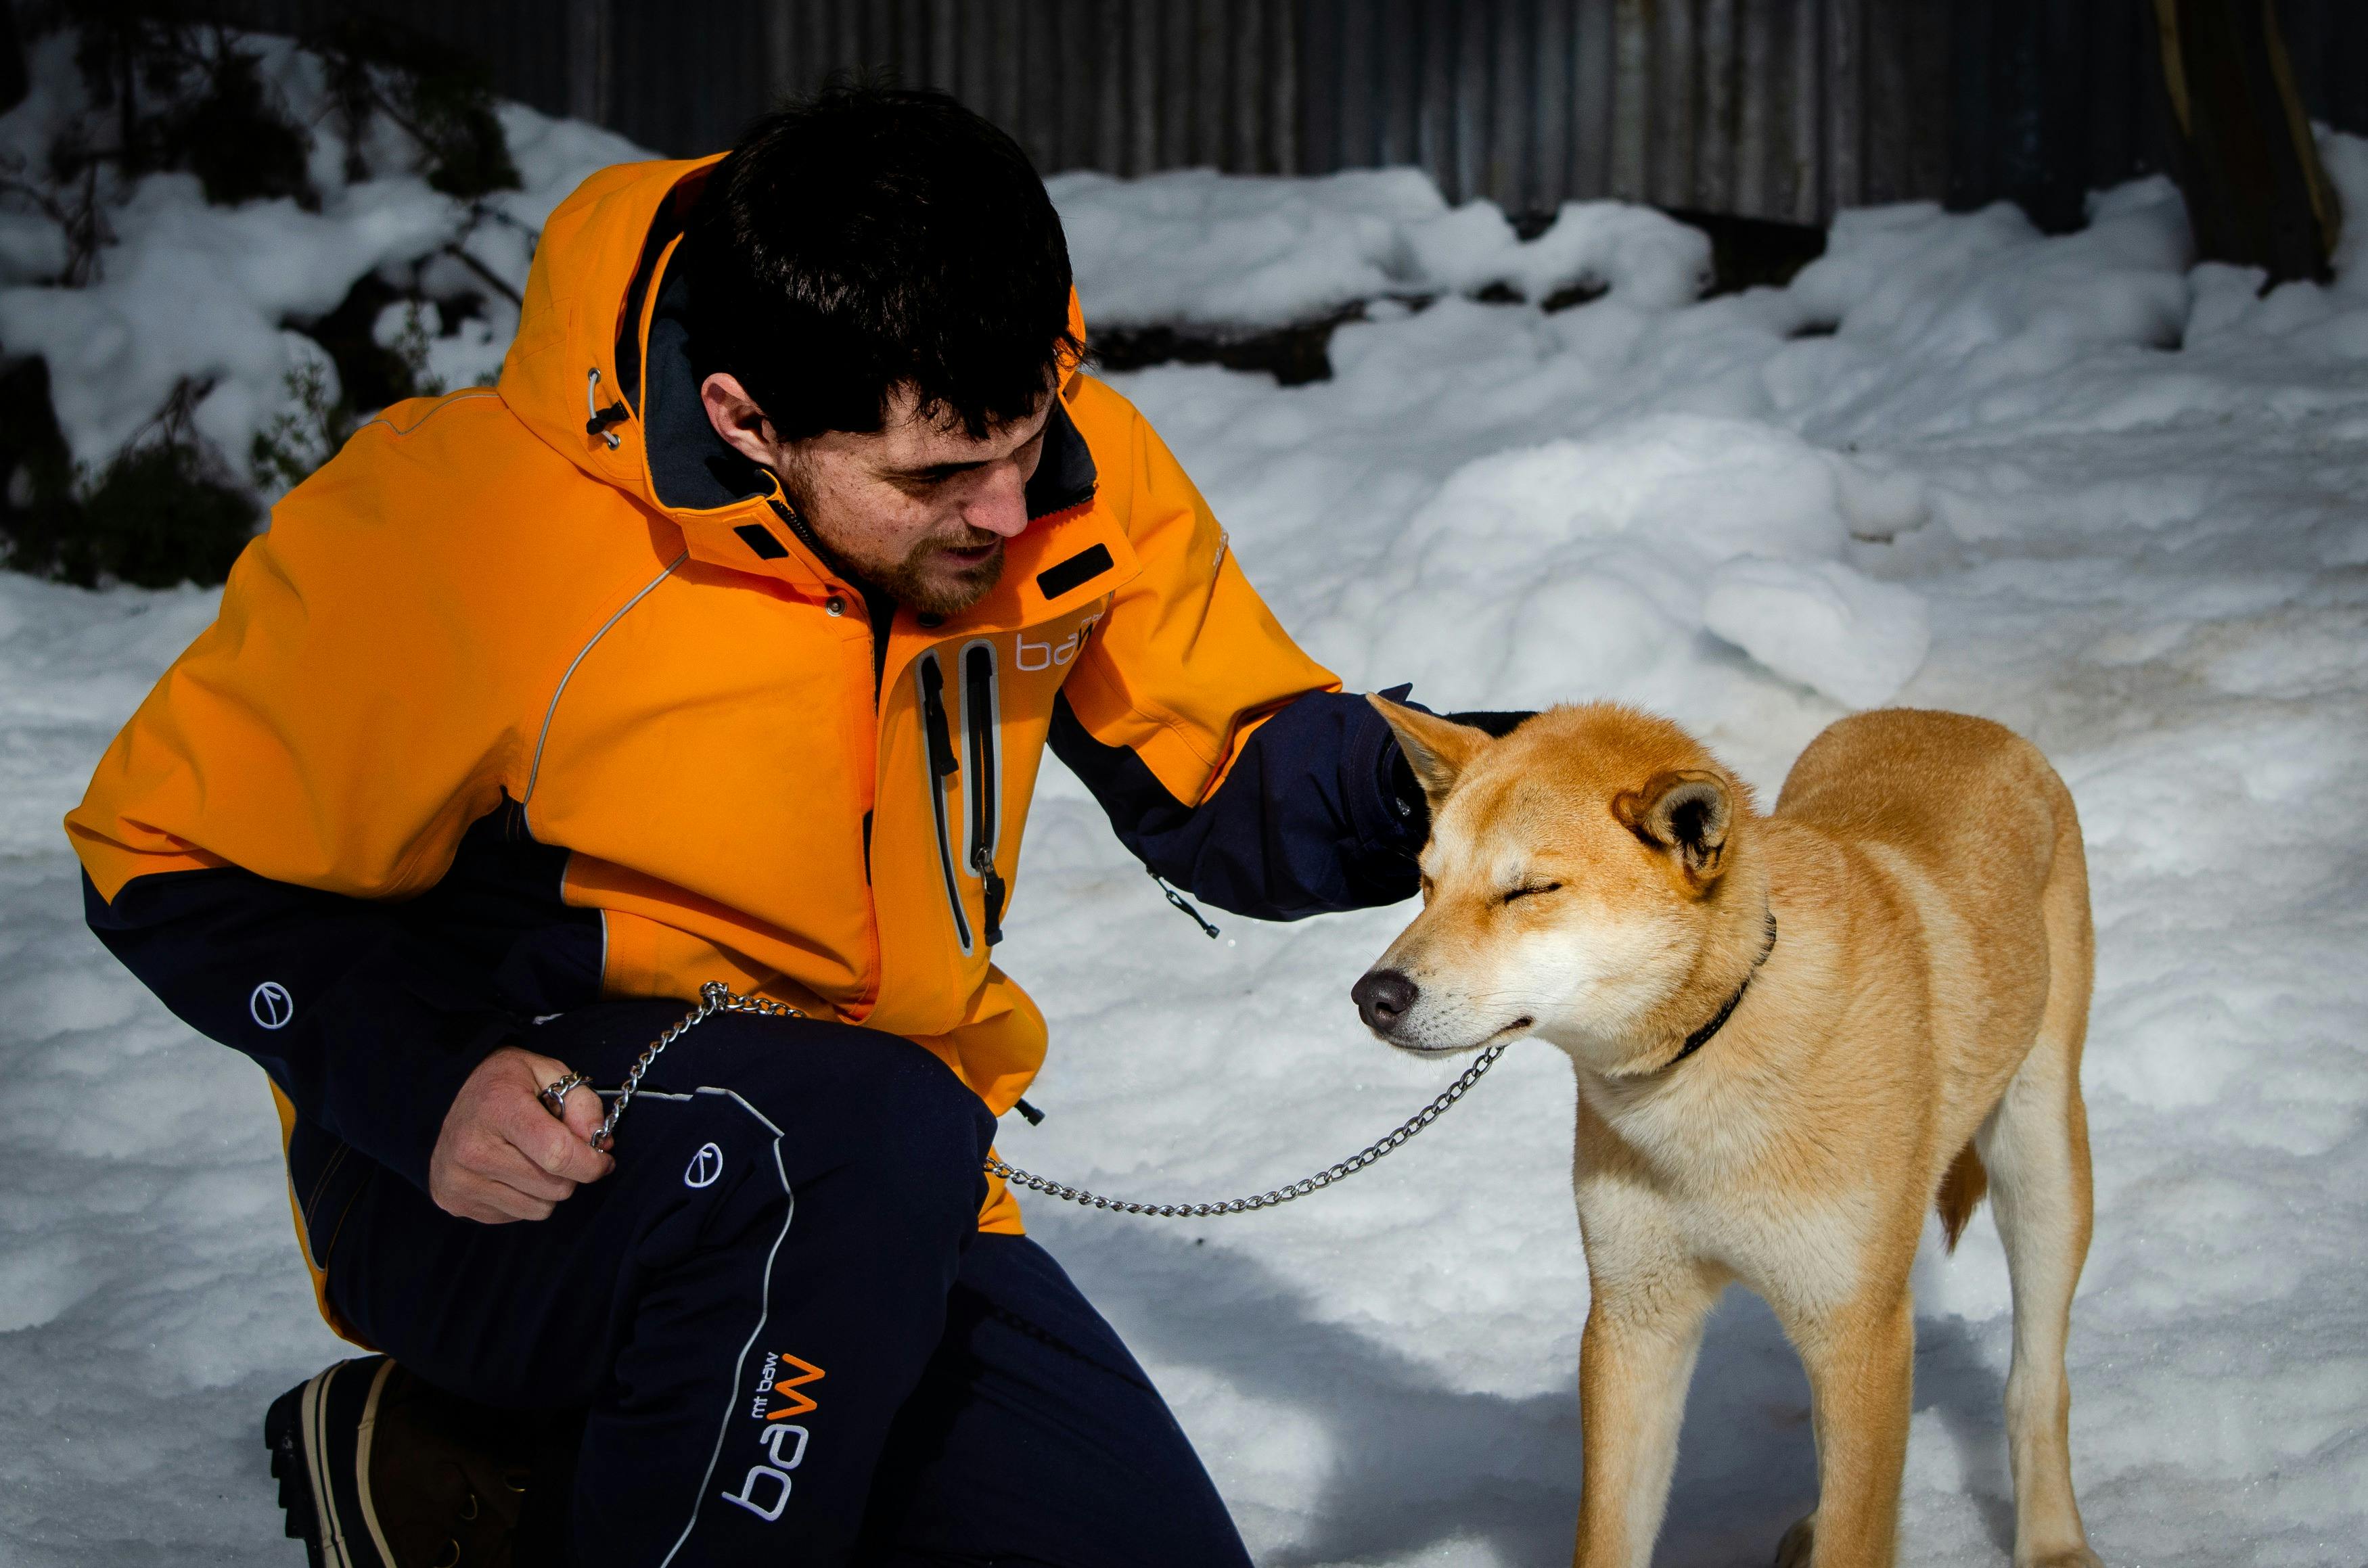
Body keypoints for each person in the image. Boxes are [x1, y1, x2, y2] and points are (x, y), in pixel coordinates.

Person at [69, 85, 1482, 1566]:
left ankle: (489, 1484)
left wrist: (1492, 789)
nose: (1011, 512)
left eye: (1027, 436)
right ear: (747, 417)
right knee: (841, 1139)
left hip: (884, 1182)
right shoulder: (469, 524)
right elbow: (165, 855)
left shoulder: (1049, 463)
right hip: (508, 1178)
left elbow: (1233, 779)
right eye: (940, 476)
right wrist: (425, 1081)